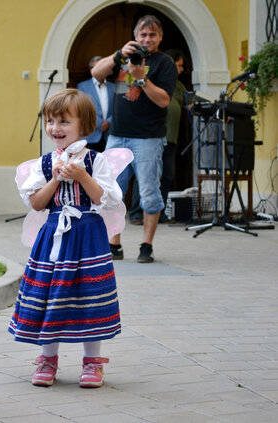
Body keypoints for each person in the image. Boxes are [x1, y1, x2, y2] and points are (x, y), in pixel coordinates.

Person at [8, 88, 124, 388]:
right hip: (54, 235)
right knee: (51, 292)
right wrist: (57, 178)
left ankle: (92, 362)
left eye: (63, 122)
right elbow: (36, 203)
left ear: (84, 125)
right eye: (50, 121)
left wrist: (83, 176)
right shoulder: (45, 164)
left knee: (90, 295)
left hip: (88, 237)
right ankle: (48, 358)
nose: (55, 129)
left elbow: (106, 201)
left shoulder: (96, 161)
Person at [91, 14, 177, 263]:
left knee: (149, 193)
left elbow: (164, 100)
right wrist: (118, 54)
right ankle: (114, 244)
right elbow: (97, 72)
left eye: (152, 35)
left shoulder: (165, 63)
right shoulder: (123, 57)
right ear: (136, 36)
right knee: (112, 191)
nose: (147, 39)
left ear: (160, 37)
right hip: (117, 136)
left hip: (148, 139)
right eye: (143, 34)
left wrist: (141, 77)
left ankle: (146, 245)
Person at [129, 49, 187, 224]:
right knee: (145, 175)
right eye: (179, 65)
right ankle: (137, 213)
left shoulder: (179, 86)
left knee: (166, 175)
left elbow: (188, 104)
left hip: (171, 137)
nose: (182, 69)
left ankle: (159, 213)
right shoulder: (154, 79)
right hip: (151, 135)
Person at [77, 56, 114, 152]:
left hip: (110, 135)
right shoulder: (82, 86)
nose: (100, 69)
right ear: (91, 70)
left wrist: (109, 122)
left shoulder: (113, 86)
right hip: (91, 135)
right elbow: (82, 108)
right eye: (97, 67)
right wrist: (100, 123)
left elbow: (118, 107)